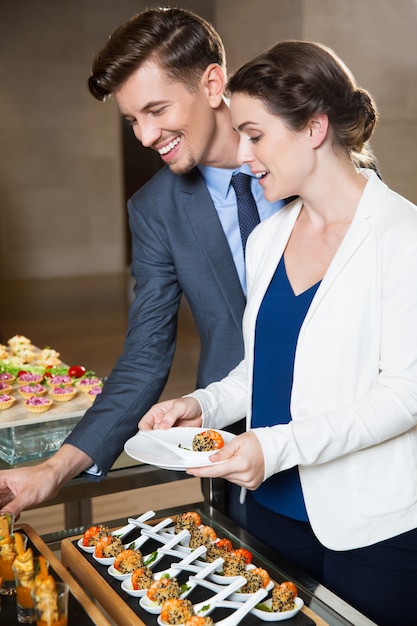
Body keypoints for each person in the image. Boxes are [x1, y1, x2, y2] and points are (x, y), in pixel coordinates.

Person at [139, 41, 417, 626]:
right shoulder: (269, 237)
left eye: (255, 135)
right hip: (263, 510)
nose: (241, 154)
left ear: (314, 128)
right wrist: (203, 404)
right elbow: (263, 366)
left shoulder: (403, 237)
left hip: (371, 530)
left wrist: (276, 447)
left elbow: (405, 396)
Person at [0, 8, 285, 517]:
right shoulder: (153, 208)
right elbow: (145, 354)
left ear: (213, 83)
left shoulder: (303, 155)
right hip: (227, 439)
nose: (145, 136)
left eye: (156, 110)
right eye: (132, 119)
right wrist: (55, 468)